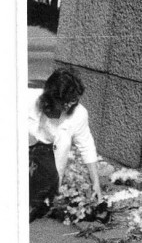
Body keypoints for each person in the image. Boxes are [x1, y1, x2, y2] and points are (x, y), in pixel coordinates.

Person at [28, 67, 102, 221]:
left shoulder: (79, 113)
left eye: (74, 100)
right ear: (52, 97)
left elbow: (86, 145)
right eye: (66, 101)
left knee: (40, 195)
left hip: (47, 159)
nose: (70, 105)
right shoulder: (26, 99)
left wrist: (95, 182)